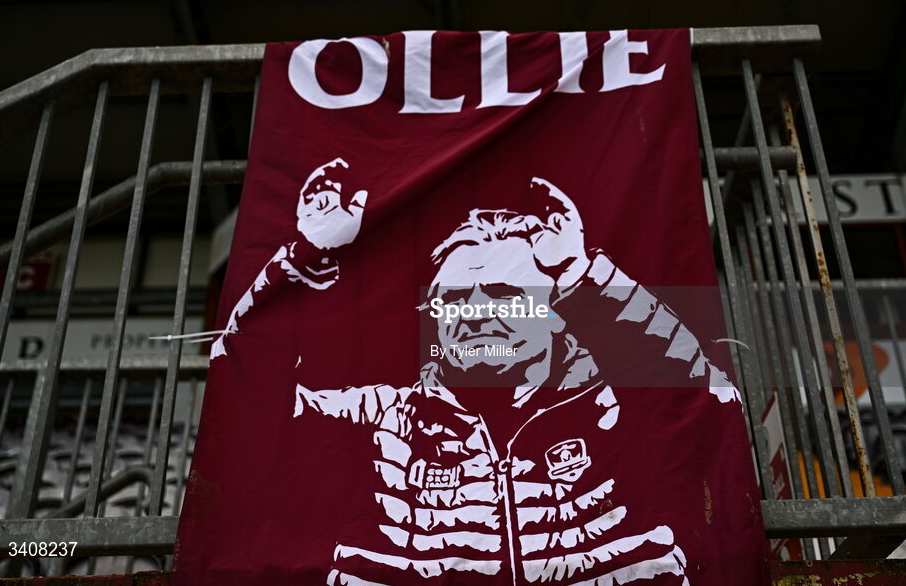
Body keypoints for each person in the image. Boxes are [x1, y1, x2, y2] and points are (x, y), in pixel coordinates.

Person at [217, 165, 740, 585]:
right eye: (454, 300)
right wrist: (299, 262)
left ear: (558, 311)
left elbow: (707, 397)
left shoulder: (614, 405)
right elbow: (245, 393)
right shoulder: (382, 419)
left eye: (505, 295)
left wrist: (583, 276)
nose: (475, 314)